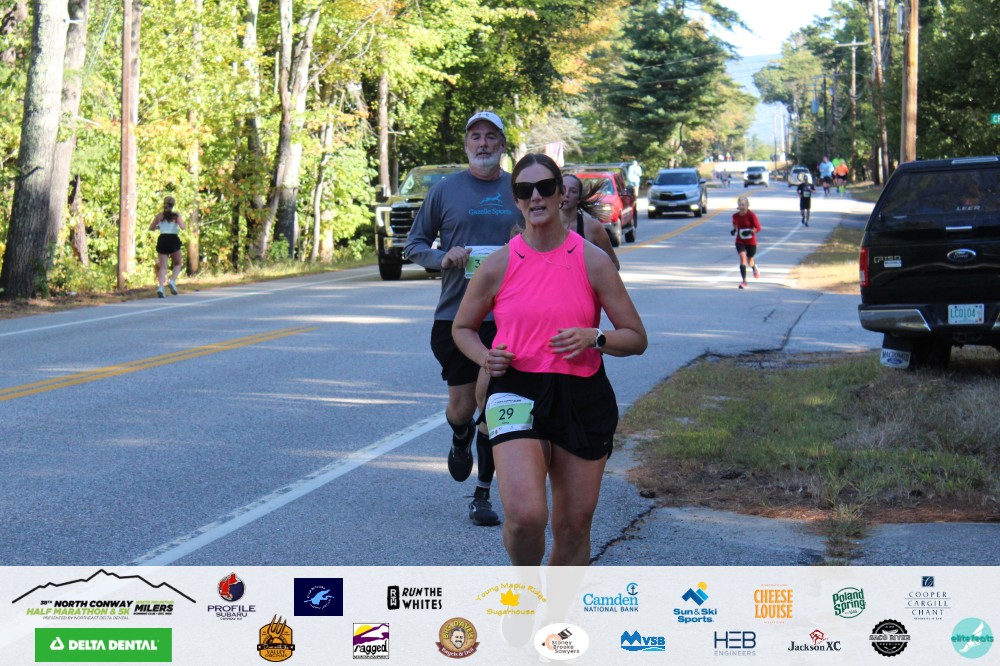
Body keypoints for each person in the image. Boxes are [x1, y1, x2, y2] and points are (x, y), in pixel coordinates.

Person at [452, 153, 647, 566]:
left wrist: (595, 337)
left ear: (561, 194)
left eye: (545, 187)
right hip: (515, 389)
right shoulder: (499, 264)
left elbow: (636, 337)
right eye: (525, 190)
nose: (535, 197)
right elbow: (462, 327)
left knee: (573, 526)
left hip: (582, 395)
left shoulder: (592, 260)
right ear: (516, 200)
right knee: (526, 517)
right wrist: (486, 358)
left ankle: (554, 607)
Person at [404, 111, 523, 527]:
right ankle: (459, 435)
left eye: (491, 136)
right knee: (462, 408)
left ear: (503, 144)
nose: (483, 143)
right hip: (457, 315)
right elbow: (414, 244)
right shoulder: (445, 190)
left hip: (511, 316)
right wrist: (442, 257)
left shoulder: (520, 188)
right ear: (467, 144)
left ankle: (483, 495)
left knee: (495, 406)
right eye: (476, 137)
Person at [559, 174, 620, 270]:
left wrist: (591, 273)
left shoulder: (592, 227)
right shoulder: (545, 226)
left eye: (573, 191)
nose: (567, 194)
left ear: (579, 199)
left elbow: (614, 264)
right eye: (563, 190)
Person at [148, 196, 185, 297]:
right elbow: (182, 227)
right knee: (178, 263)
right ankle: (172, 281)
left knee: (163, 266)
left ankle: (161, 287)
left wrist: (159, 227)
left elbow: (151, 228)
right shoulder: (176, 215)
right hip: (173, 239)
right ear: (173, 205)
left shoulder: (159, 216)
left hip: (163, 239)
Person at [730, 195, 761, 289]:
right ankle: (744, 281)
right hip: (740, 240)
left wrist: (751, 231)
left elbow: (758, 228)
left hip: (751, 241)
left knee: (750, 260)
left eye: (743, 205)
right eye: (740, 205)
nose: (741, 206)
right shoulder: (735, 216)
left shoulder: (751, 215)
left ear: (747, 205)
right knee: (742, 258)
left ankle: (754, 267)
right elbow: (734, 223)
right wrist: (734, 230)